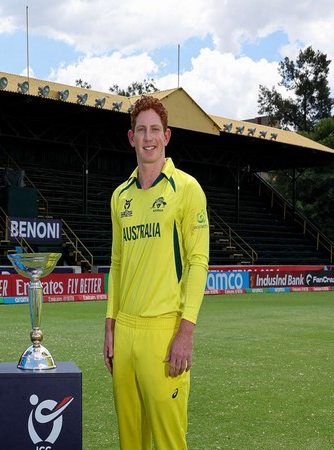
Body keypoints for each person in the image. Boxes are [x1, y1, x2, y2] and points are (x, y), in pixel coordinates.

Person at [103, 95, 209, 450]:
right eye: (141, 130)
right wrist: (110, 325)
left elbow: (198, 262)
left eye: (155, 130)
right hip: (126, 332)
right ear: (130, 137)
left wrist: (186, 331)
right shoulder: (120, 196)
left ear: (167, 136)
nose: (148, 137)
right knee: (130, 442)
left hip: (164, 332)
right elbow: (116, 264)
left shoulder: (187, 189)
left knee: (169, 442)